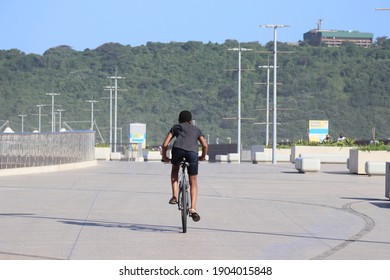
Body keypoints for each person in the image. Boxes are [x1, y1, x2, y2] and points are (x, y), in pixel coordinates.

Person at [161, 110, 208, 222]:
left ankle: (175, 196)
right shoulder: (196, 129)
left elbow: (165, 144)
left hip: (177, 151)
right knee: (193, 181)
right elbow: (205, 145)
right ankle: (193, 209)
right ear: (190, 121)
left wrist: (165, 157)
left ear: (179, 120)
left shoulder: (176, 127)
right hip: (192, 153)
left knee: (175, 170)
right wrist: (202, 157)